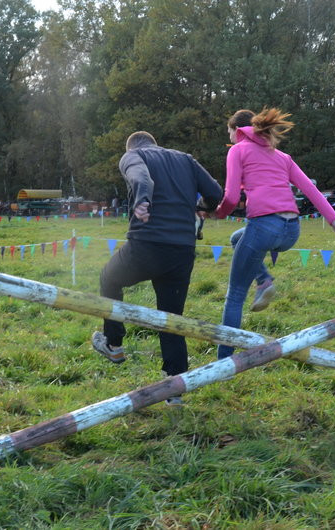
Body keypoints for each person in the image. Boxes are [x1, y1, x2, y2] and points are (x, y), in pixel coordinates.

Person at [92, 131, 222, 405]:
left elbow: (142, 177)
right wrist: (203, 207)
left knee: (108, 278)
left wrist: (142, 201)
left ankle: (113, 343)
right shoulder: (186, 160)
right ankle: (174, 391)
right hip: (183, 249)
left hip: (148, 244)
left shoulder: (133, 156)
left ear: (131, 145)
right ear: (154, 142)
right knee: (172, 317)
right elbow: (215, 192)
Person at [214, 108, 335, 360]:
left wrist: (219, 213)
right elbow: (309, 187)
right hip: (291, 231)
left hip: (264, 228)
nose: (229, 137)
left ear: (236, 129)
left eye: (228, 131)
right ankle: (264, 281)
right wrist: (334, 221)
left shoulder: (237, 150)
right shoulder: (281, 156)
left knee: (234, 296)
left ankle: (223, 362)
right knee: (237, 238)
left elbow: (232, 196)